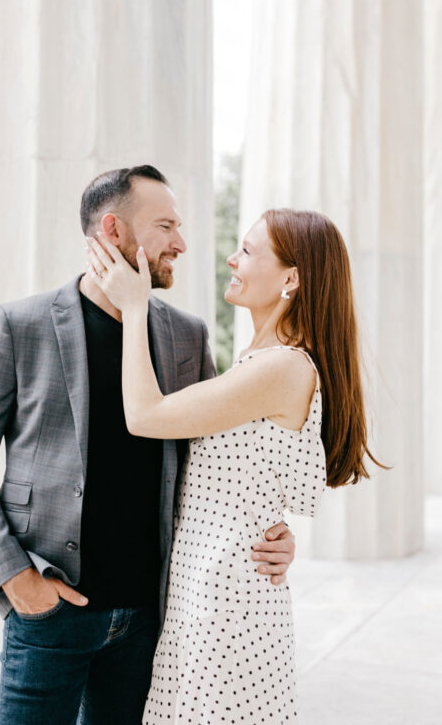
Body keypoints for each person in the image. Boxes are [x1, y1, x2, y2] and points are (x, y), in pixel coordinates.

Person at [0, 166, 296, 724]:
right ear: (114, 230)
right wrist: (15, 577)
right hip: (50, 612)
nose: (181, 242)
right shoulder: (20, 325)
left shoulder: (187, 334)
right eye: (165, 226)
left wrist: (269, 535)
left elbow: (211, 464)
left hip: (151, 619)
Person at [87, 208, 383, 723]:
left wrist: (135, 308)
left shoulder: (284, 367)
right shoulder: (262, 364)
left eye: (247, 250)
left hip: (226, 600)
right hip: (211, 588)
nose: (232, 257)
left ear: (291, 278)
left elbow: (145, 414)